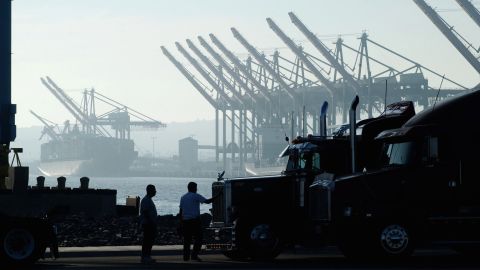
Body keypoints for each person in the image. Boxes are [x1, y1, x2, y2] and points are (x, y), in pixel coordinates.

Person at [179, 182, 215, 262]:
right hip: (195, 221)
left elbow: (181, 210)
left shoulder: (183, 197)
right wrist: (218, 196)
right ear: (193, 188)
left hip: (186, 221)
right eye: (196, 187)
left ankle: (186, 257)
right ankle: (194, 255)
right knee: (199, 238)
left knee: (187, 240)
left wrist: (181, 221)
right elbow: (207, 201)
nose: (196, 189)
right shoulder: (196, 196)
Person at [140, 184, 158, 264]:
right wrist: (151, 222)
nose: (155, 191)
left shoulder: (148, 199)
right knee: (147, 240)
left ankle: (147, 256)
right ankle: (145, 256)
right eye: (154, 190)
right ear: (150, 191)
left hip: (149, 223)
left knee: (149, 240)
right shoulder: (146, 200)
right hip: (148, 224)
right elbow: (146, 212)